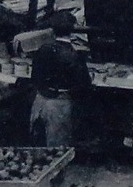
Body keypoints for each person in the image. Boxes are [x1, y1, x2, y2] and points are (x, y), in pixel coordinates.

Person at [28, 12, 91, 147]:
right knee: (57, 149)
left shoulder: (42, 49)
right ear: (73, 32)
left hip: (39, 103)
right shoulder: (74, 55)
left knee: (36, 144)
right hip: (59, 106)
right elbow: (84, 84)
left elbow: (34, 77)